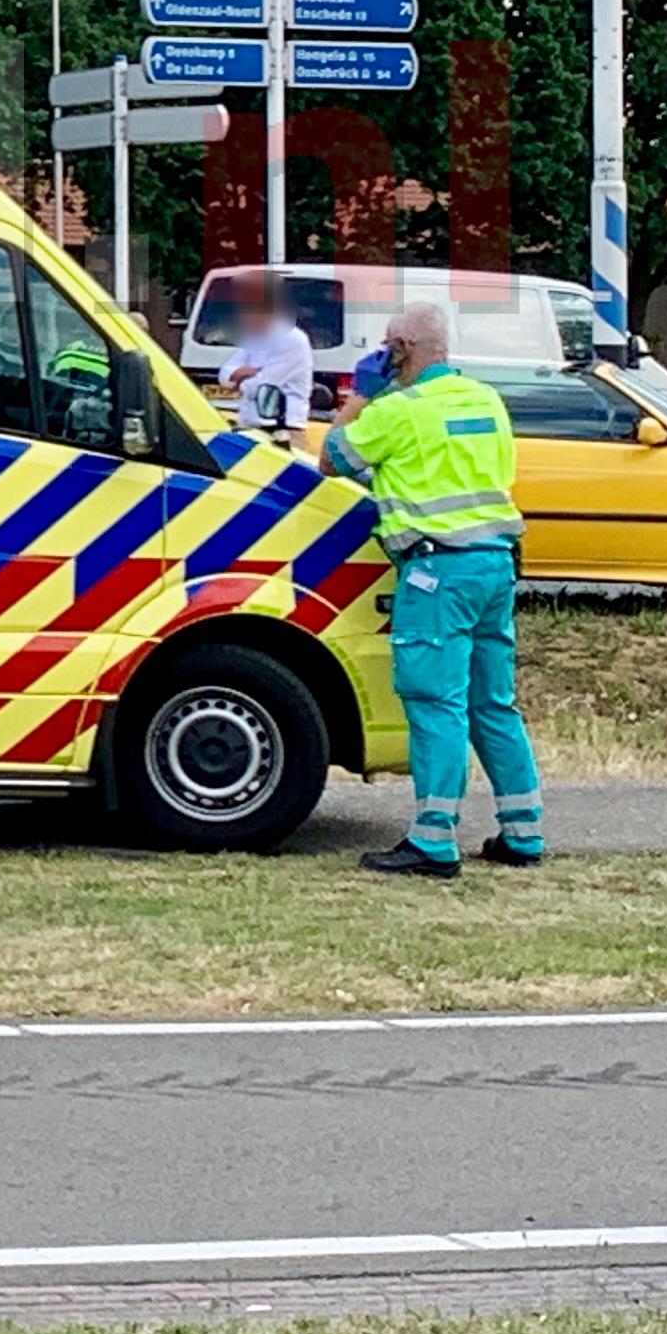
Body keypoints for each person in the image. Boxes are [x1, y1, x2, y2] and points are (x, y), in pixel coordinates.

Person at [326, 301, 544, 879]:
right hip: (495, 564)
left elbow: (332, 457)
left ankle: (433, 841)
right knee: (491, 704)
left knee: (435, 705)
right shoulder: (485, 400)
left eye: (386, 345)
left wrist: (360, 394)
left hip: (436, 572)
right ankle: (524, 832)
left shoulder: (398, 411)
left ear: (403, 348)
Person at [214, 272, 315, 431]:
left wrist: (240, 379)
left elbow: (262, 386)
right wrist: (239, 375)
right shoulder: (251, 337)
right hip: (250, 423)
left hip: (283, 427)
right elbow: (224, 375)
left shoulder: (292, 339)